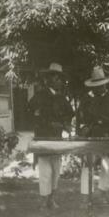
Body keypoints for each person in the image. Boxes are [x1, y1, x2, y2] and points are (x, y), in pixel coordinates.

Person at [28, 62, 73, 209]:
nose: (59, 81)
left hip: (57, 139)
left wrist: (65, 124)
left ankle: (52, 199)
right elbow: (31, 113)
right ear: (49, 79)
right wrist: (47, 123)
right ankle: (44, 200)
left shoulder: (62, 98)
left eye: (60, 79)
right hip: (43, 138)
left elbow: (69, 114)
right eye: (56, 78)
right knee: (45, 172)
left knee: (55, 171)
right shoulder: (39, 96)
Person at [78, 66, 109, 205]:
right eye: (95, 86)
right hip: (90, 136)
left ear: (105, 84)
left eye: (101, 85)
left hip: (107, 134)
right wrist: (82, 128)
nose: (98, 88)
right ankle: (85, 197)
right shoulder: (86, 99)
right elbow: (79, 118)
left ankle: (102, 193)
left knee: (106, 166)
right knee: (87, 165)